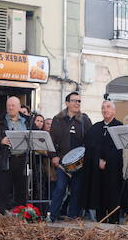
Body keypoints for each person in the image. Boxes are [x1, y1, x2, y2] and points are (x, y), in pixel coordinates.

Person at [49, 92, 91, 220]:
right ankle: (52, 216)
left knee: (76, 191)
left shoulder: (84, 120)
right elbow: (51, 140)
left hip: (80, 163)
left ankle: (72, 216)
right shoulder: (57, 119)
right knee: (60, 189)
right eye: (74, 101)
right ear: (67, 103)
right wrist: (53, 156)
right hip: (62, 162)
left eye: (79, 101)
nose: (77, 103)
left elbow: (90, 140)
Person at [83, 100, 123, 222]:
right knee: (98, 196)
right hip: (97, 170)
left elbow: (119, 148)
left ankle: (114, 222)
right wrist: (98, 160)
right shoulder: (95, 128)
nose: (105, 110)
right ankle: (100, 222)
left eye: (108, 107)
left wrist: (107, 161)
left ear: (114, 111)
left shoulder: (120, 127)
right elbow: (89, 147)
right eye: (103, 108)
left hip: (114, 170)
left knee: (113, 197)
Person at [0, 96, 31, 213]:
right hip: (5, 159)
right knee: (3, 191)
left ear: (19, 107)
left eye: (13, 105)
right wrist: (0, 141)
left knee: (21, 191)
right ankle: (2, 218)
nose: (10, 108)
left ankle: (21, 217)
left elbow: (36, 136)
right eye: (8, 105)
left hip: (23, 160)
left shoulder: (27, 120)